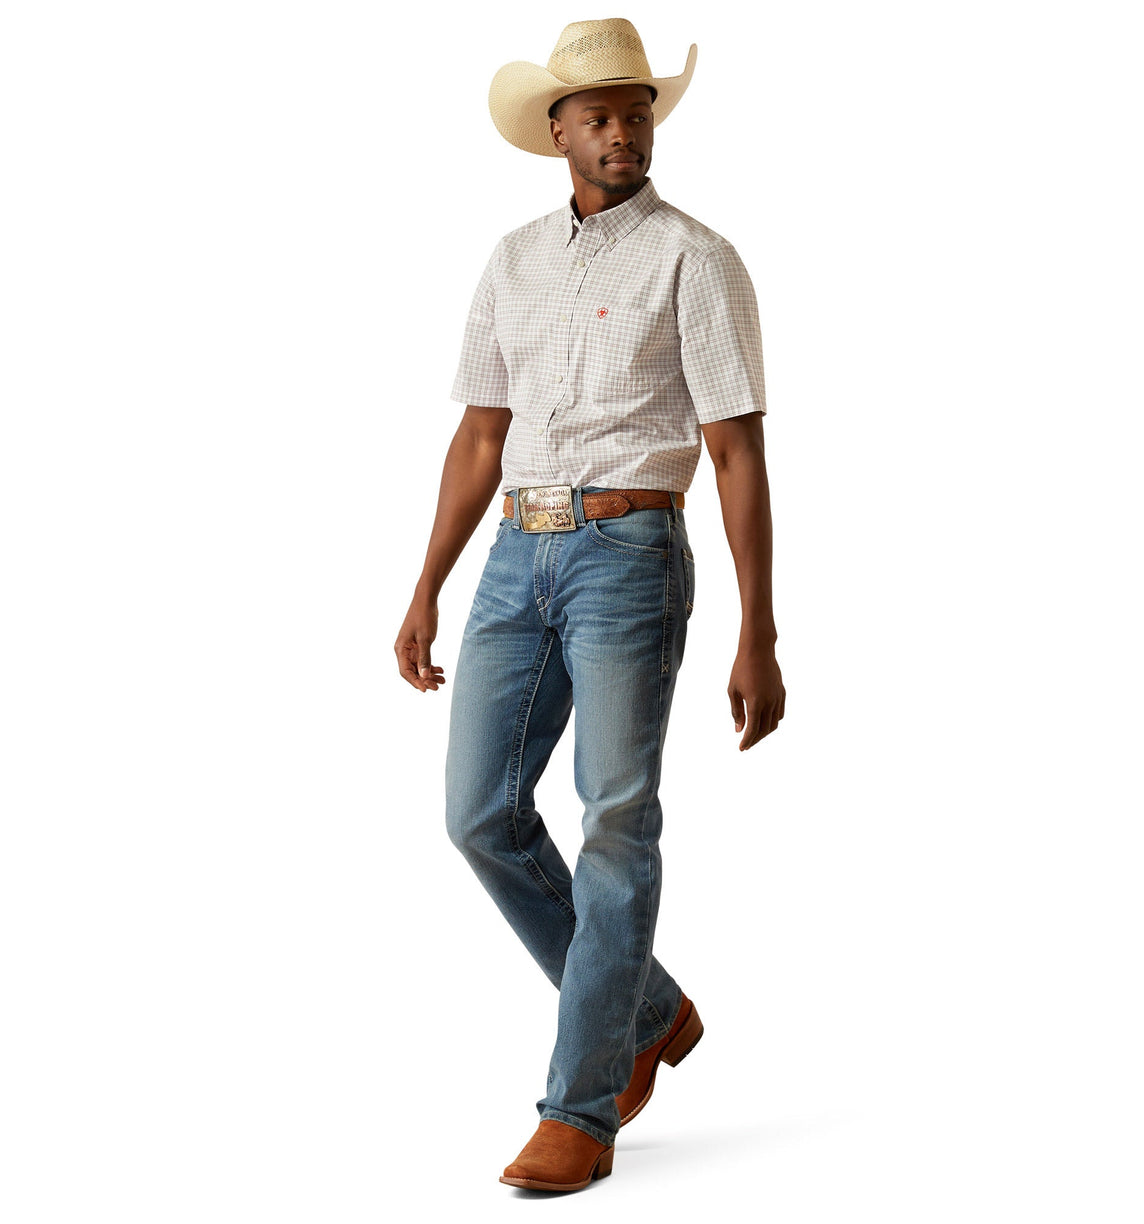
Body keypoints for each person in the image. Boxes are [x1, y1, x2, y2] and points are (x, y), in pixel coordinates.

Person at [394, 17, 785, 1192]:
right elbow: (478, 433)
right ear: (555, 132)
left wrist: (758, 630)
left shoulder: (697, 259)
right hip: (518, 553)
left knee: (616, 814)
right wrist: (426, 583)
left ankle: (580, 1107)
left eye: (637, 110)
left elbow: (736, 453)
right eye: (599, 114)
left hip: (630, 554)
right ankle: (647, 1009)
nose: (622, 129)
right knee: (480, 815)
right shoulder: (511, 259)